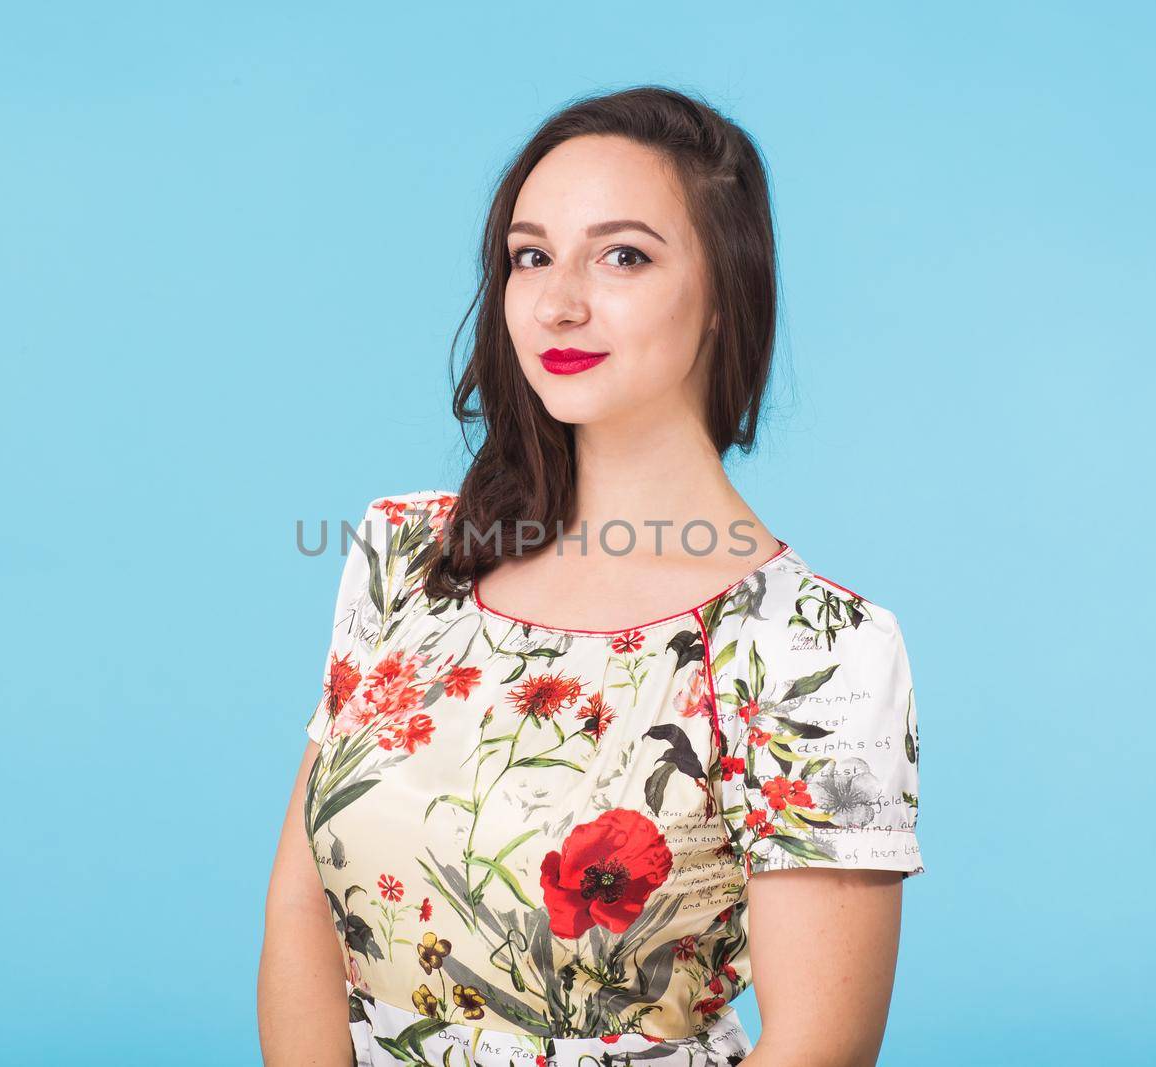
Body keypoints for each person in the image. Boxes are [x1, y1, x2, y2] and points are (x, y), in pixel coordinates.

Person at [260, 85, 924, 1067]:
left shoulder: (816, 648)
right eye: (531, 255)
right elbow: (300, 906)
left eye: (623, 254)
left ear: (722, 294)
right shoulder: (406, 553)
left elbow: (820, 1044)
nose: (559, 299)